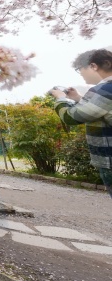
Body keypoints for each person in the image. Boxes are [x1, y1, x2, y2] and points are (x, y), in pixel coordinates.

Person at [49, 49, 112, 199]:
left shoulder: (105, 89)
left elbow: (72, 117)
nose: (81, 73)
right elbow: (100, 110)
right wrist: (77, 98)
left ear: (93, 66)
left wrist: (60, 99)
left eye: (80, 69)